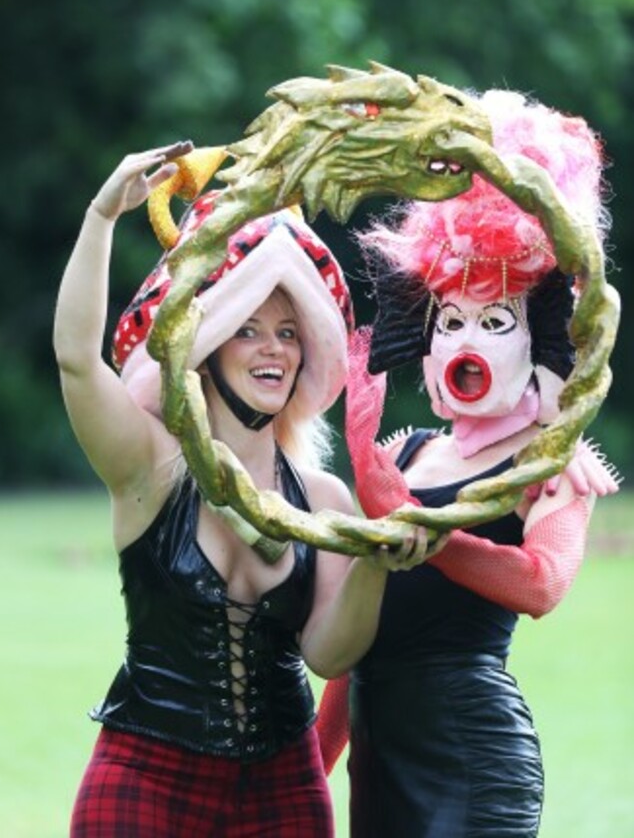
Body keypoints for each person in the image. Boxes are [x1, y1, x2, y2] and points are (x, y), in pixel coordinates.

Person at [53, 141, 437, 838]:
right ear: (211, 344)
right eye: (250, 330)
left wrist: (377, 566)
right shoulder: (150, 465)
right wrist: (102, 214)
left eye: (288, 333)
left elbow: (329, 654)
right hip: (146, 777)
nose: (273, 349)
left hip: (283, 785)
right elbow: (78, 363)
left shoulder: (323, 499)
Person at [312, 90, 620, 837]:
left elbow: (542, 586)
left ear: (538, 337)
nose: (463, 340)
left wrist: (434, 537)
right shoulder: (403, 455)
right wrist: (307, 773)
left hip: (473, 756)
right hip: (379, 762)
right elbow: (357, 640)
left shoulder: (551, 462)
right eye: (449, 320)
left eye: (493, 322)